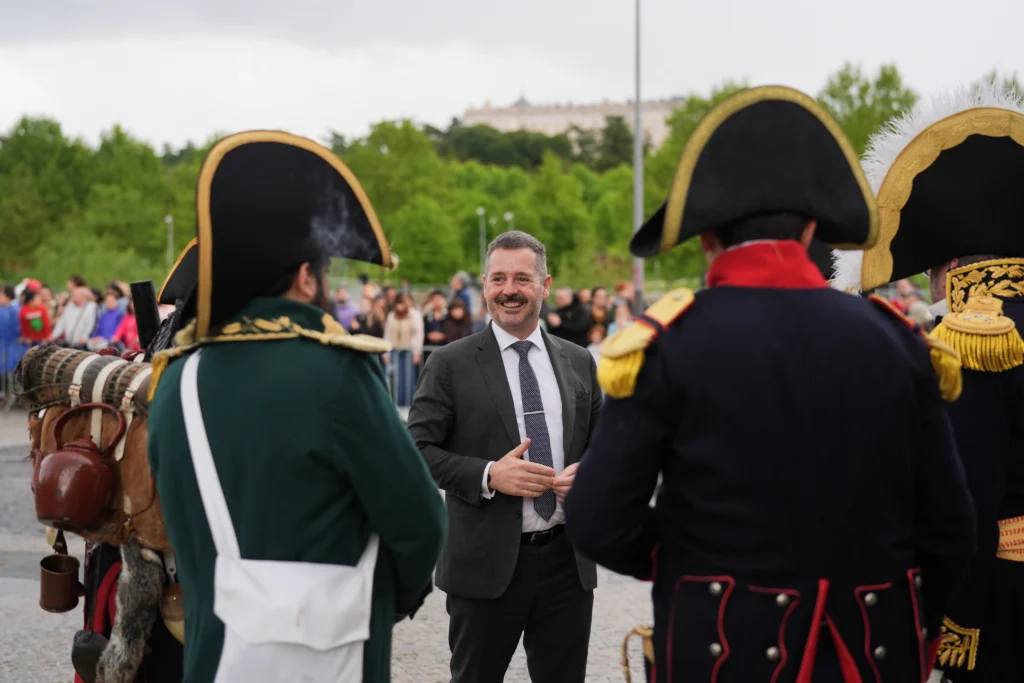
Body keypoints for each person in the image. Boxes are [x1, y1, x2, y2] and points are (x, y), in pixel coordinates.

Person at [564, 85, 976, 682]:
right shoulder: (899, 342)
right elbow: (949, 531)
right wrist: (917, 631)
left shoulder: (668, 344)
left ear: (706, 237)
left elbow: (599, 518)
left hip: (720, 656)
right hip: (871, 657)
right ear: (811, 229)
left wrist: (693, 559)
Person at [147, 131, 445, 683]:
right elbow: (420, 519)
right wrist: (385, 602)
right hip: (328, 658)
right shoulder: (336, 370)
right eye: (325, 270)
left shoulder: (176, 377)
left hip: (216, 659)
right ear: (306, 276)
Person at [831, 83, 1024, 683]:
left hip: (1007, 597)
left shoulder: (974, 337)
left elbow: (971, 503)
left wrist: (951, 618)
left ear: (955, 268)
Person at [407, 229, 602, 683]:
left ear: (545, 285)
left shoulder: (578, 361)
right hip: (485, 564)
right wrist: (491, 474)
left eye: (521, 278)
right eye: (498, 279)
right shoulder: (450, 363)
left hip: (566, 566)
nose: (509, 290)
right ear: (484, 284)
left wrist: (592, 473)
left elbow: (605, 445)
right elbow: (415, 450)